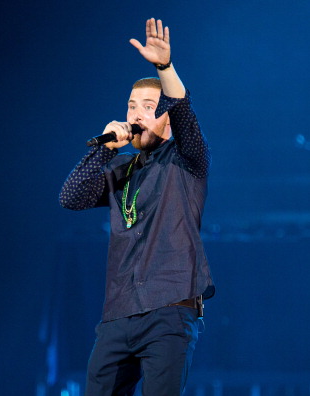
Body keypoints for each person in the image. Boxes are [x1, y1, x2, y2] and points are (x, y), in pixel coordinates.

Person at [59, 18, 215, 396]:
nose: (136, 115)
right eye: (131, 106)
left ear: (167, 120)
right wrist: (102, 148)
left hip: (169, 311)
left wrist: (164, 68)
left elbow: (182, 108)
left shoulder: (187, 159)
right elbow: (71, 198)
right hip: (118, 314)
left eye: (148, 106)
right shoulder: (118, 168)